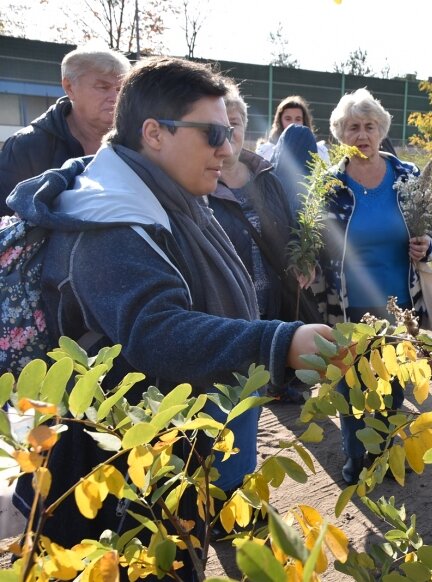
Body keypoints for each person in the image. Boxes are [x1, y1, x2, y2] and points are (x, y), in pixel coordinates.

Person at [9, 57, 332, 561]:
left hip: (164, 461)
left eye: (229, 131)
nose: (227, 149)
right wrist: (279, 342)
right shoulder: (112, 224)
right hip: (116, 490)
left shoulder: (166, 193)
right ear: (155, 134)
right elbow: (154, 333)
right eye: (211, 134)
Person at [314, 87, 432, 484]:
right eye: (353, 127)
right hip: (348, 306)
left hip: (402, 304)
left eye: (370, 126)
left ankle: (386, 456)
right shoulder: (330, 184)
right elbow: (313, 238)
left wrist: (428, 244)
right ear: (341, 134)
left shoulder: (406, 176)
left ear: (382, 130)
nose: (362, 134)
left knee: (392, 388)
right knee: (354, 389)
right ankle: (358, 464)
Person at [208, 82, 320, 408]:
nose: (227, 133)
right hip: (229, 304)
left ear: (244, 126)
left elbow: (286, 225)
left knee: (273, 353)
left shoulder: (265, 176)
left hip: (272, 292)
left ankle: (279, 384)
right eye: (217, 127)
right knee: (236, 392)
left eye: (234, 125)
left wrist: (302, 260)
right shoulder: (197, 183)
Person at [0, 44, 129, 214]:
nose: (115, 98)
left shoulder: (136, 143)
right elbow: (6, 220)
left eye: (120, 89)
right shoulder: (25, 146)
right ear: (69, 87)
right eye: (103, 87)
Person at [256, 94, 328, 162]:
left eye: (298, 119)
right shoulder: (266, 151)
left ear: (304, 122)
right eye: (288, 119)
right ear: (280, 121)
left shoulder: (319, 152)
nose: (293, 123)